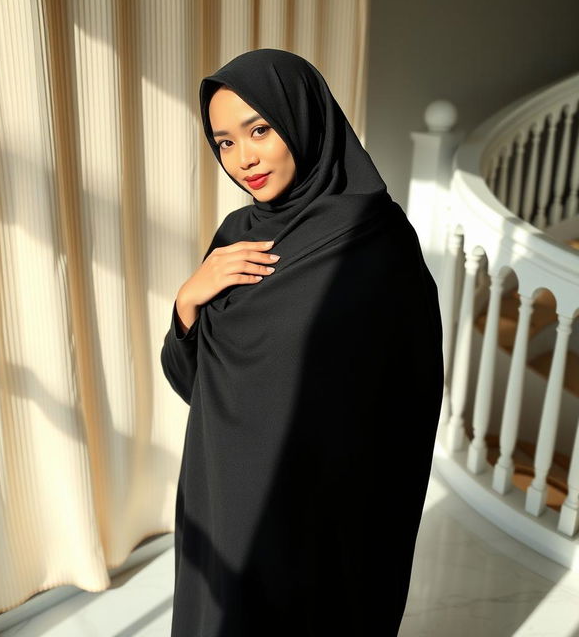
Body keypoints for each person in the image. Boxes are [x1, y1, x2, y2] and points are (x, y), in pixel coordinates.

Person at [160, 48, 444, 637]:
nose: (244, 159)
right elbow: (200, 385)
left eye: (259, 129)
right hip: (221, 497)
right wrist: (188, 304)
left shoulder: (376, 242)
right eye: (224, 143)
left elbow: (409, 393)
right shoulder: (237, 236)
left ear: (303, 117)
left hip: (319, 514)